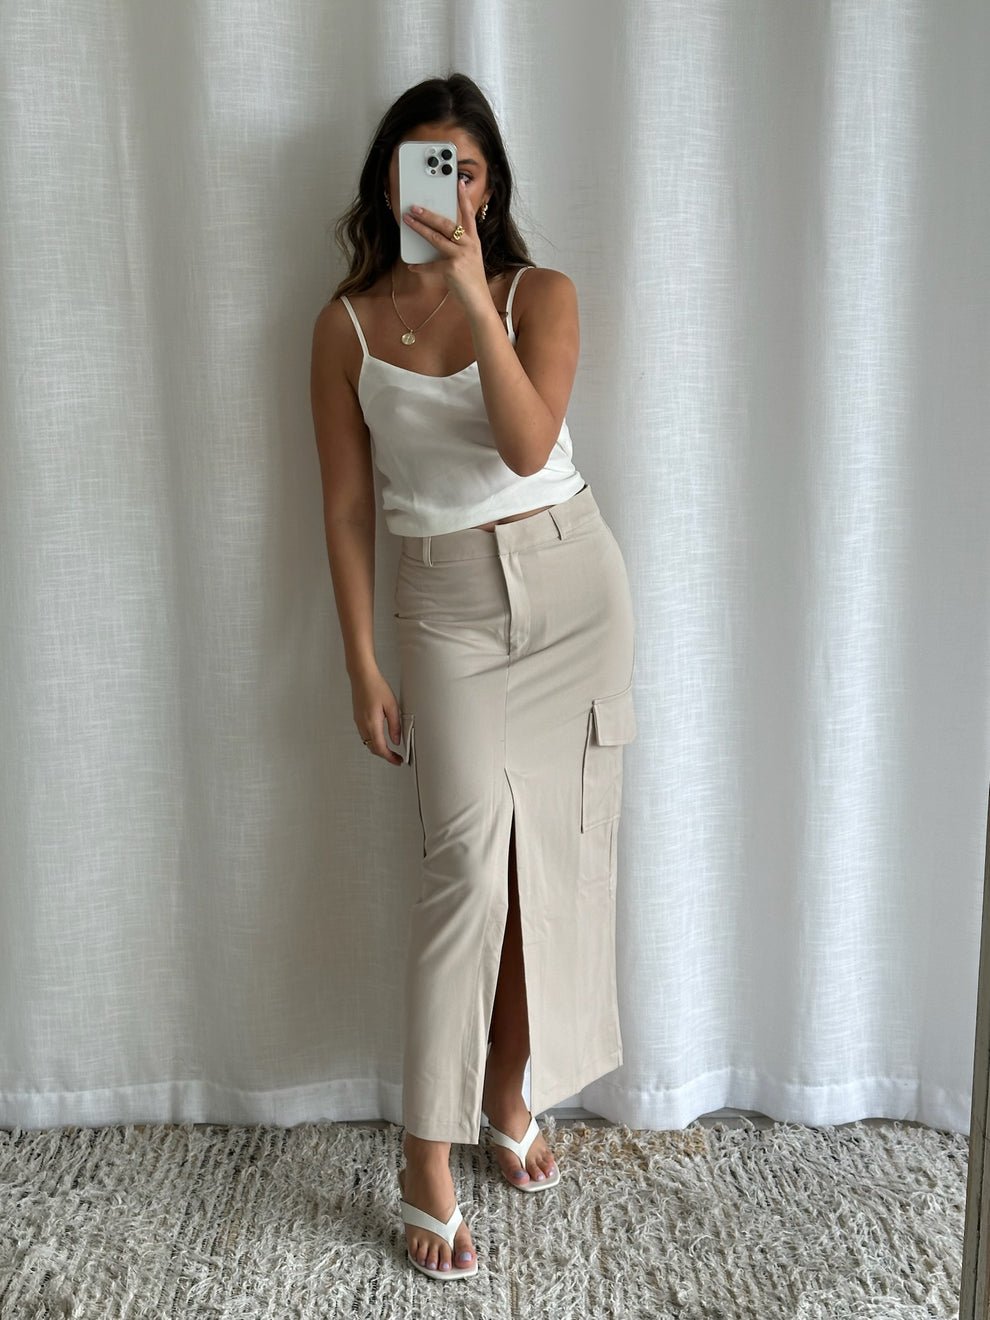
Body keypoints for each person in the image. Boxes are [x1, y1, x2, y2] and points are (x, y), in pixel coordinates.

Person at [310, 72, 637, 1282]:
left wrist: (467, 291)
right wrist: (361, 658)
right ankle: (426, 1155)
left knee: (555, 863)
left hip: (573, 590)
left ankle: (508, 1094)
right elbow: (349, 508)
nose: (449, 191)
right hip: (444, 608)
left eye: (469, 170)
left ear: (490, 187)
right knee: (462, 874)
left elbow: (526, 441)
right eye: (425, 167)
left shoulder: (538, 295)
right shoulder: (344, 328)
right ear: (389, 180)